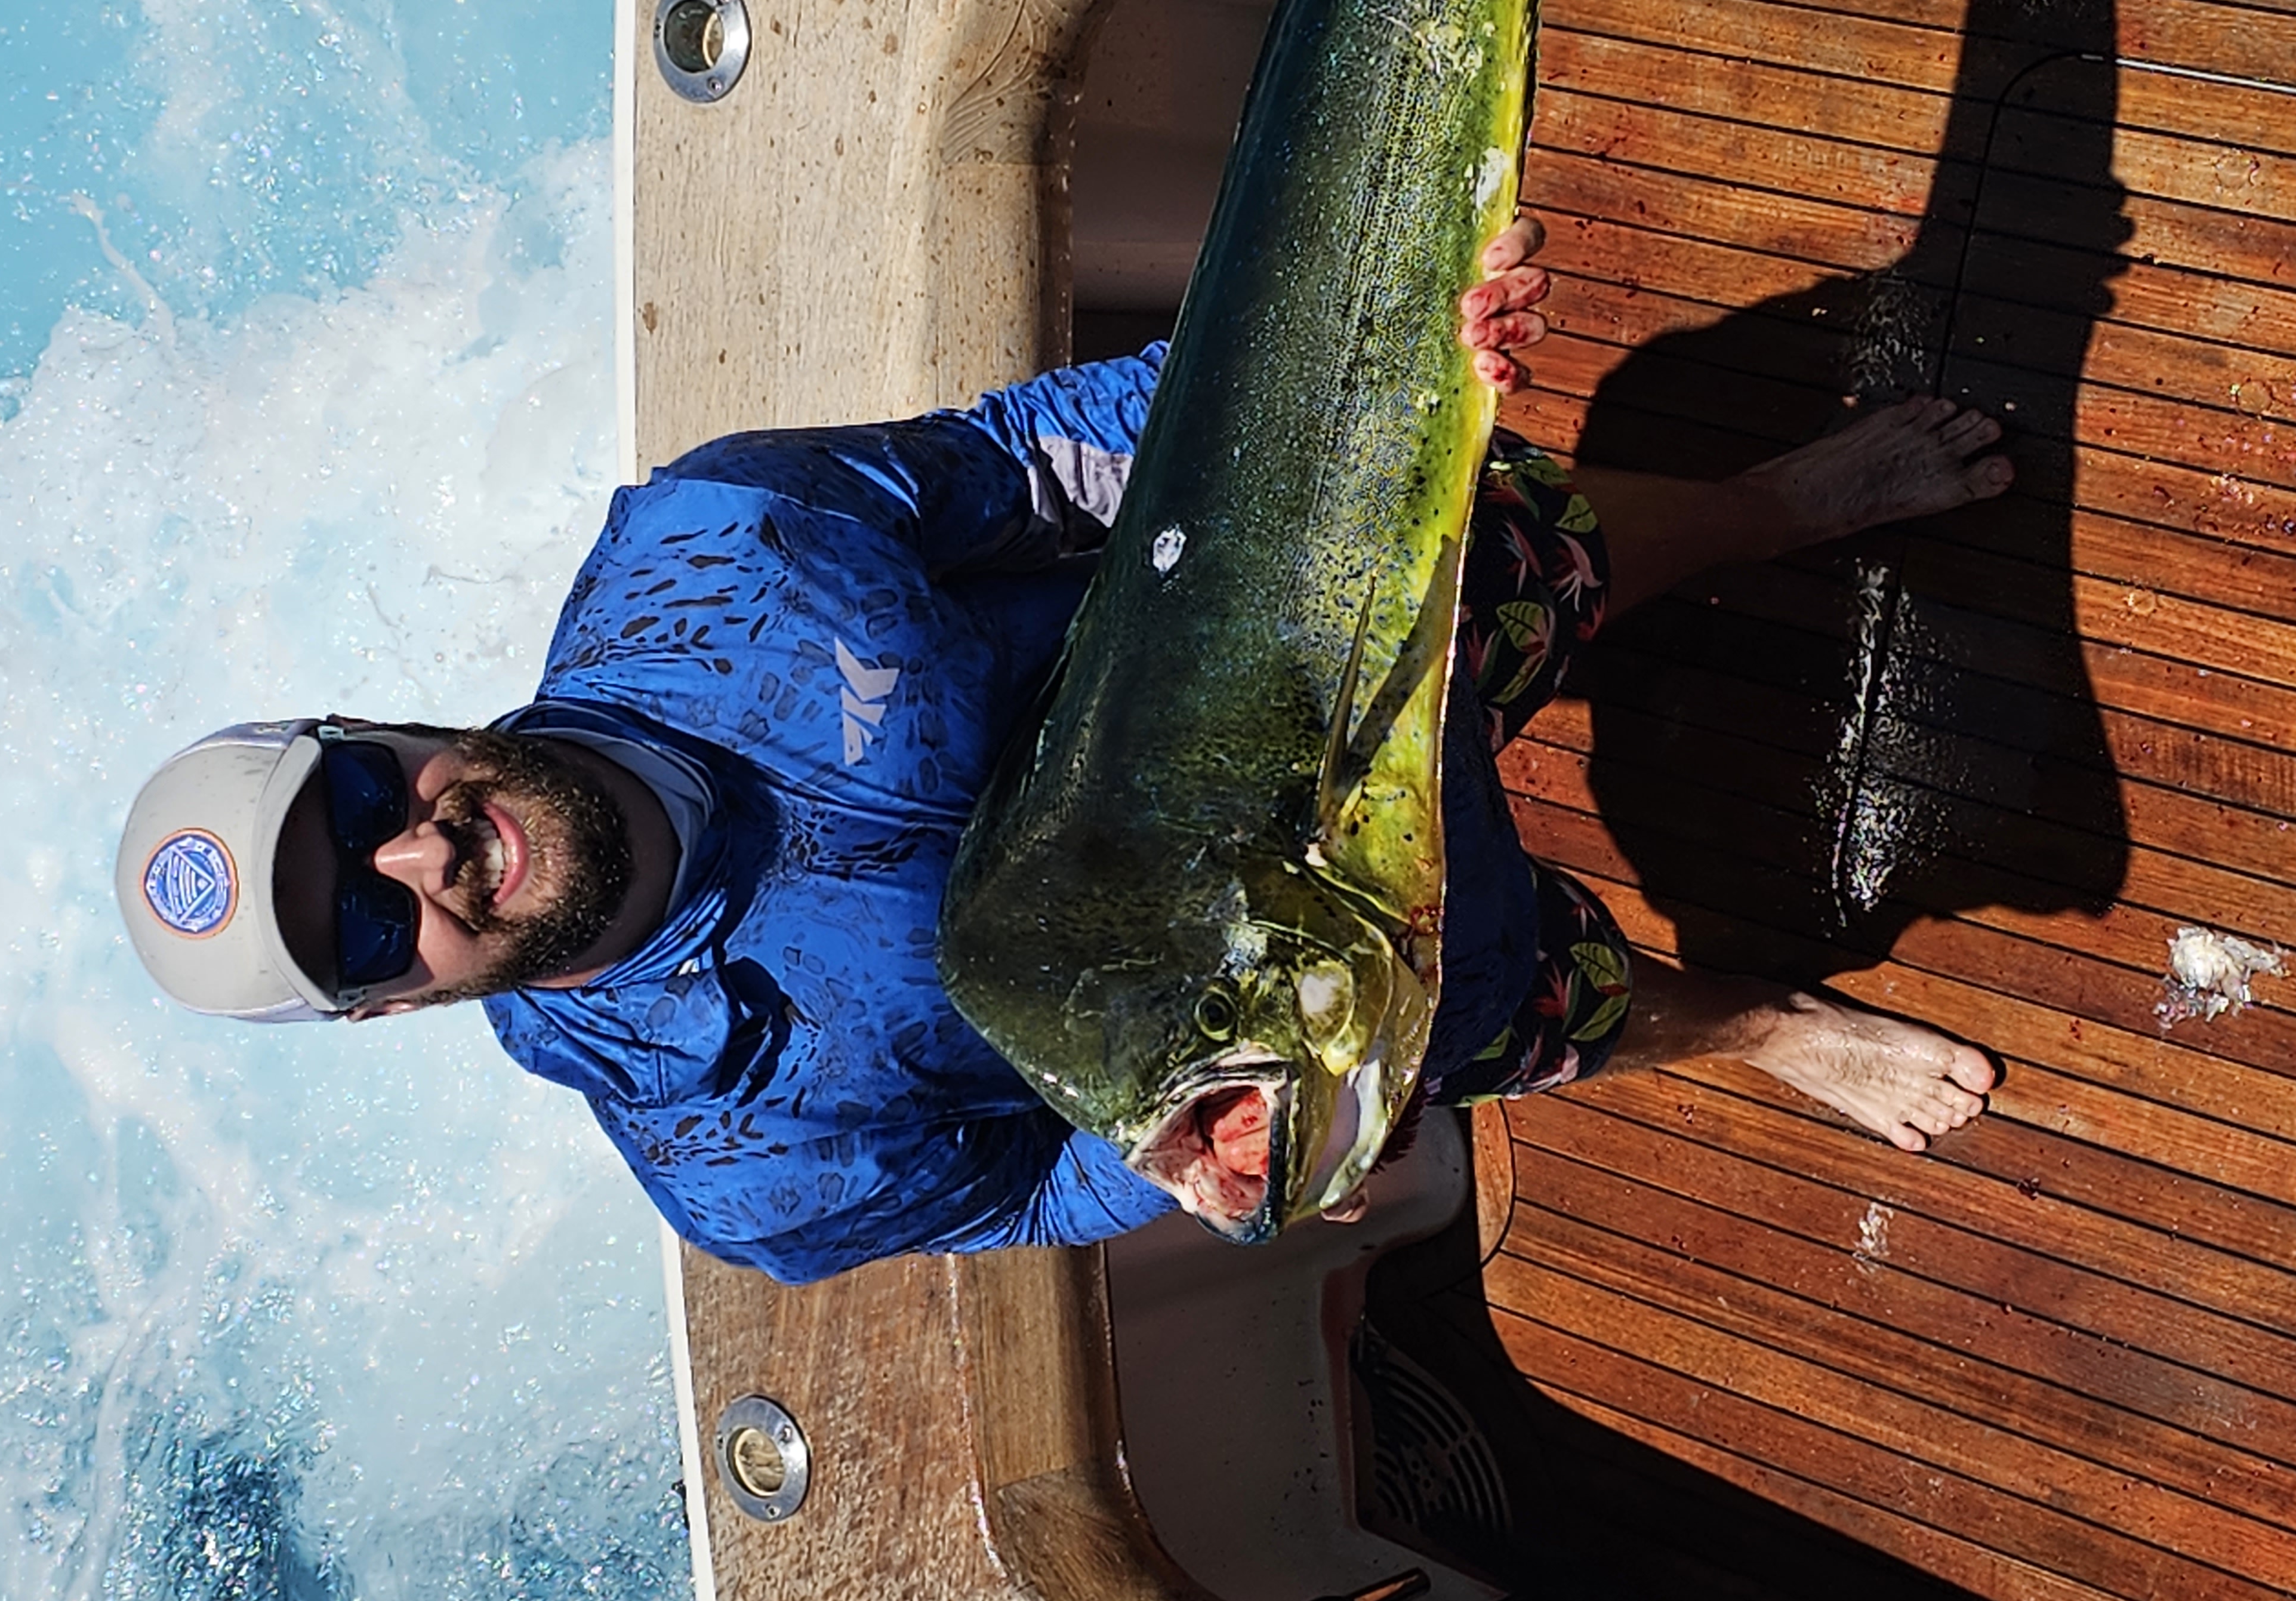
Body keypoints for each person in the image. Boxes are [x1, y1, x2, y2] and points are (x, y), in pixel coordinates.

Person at [115, 220, 2001, 1283]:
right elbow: (1023, 1184)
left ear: (384, 726)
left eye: (362, 802)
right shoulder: (735, 1169)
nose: (416, 863)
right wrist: (1175, 1160)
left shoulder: (698, 551)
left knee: (1537, 560)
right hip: (1326, 967)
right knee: (1524, 1014)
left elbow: (1029, 463)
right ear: (390, 1011)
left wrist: (1356, 390)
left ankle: (1764, 509)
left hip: (1308, 661)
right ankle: (1762, 1026)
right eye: (364, 934)